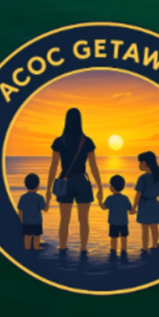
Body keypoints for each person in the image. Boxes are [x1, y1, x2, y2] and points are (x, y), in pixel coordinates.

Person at [45, 107, 101, 253]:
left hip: (65, 181)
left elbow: (53, 167)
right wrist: (100, 186)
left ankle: (63, 247)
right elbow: (93, 166)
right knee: (83, 220)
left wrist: (48, 189)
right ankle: (83, 249)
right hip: (82, 181)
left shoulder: (59, 141)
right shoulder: (87, 141)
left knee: (64, 220)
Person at [134, 151, 159, 253]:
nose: (139, 165)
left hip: (145, 204)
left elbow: (138, 194)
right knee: (154, 227)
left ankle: (145, 248)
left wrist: (134, 206)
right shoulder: (158, 177)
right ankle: (155, 245)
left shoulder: (142, 178)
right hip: (154, 204)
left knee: (145, 229)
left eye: (140, 162)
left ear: (144, 163)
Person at [101, 176, 134, 258]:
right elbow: (130, 207)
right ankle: (124, 251)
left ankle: (113, 252)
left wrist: (99, 200)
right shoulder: (125, 198)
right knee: (124, 238)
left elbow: (104, 207)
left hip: (113, 222)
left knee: (113, 238)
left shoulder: (110, 198)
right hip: (123, 222)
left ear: (112, 187)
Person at [17, 173, 46, 252]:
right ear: (37, 186)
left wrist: (21, 221)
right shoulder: (39, 197)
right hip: (37, 222)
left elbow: (20, 211)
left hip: (26, 222)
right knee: (37, 236)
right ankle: (36, 247)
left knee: (27, 236)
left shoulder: (23, 197)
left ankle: (27, 248)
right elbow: (44, 208)